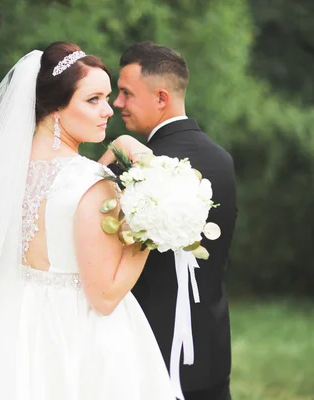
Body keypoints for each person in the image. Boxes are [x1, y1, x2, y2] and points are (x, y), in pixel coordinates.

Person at [0, 41, 175, 400]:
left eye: (107, 97)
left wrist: (123, 151)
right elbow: (104, 296)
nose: (107, 111)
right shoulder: (93, 185)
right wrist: (153, 225)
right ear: (55, 109)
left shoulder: (7, 174)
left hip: (15, 321)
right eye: (93, 99)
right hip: (78, 334)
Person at [106, 42, 238, 400]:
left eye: (126, 93)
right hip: (210, 351)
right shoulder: (222, 161)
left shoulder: (130, 167)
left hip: (144, 351)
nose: (117, 104)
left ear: (161, 97)